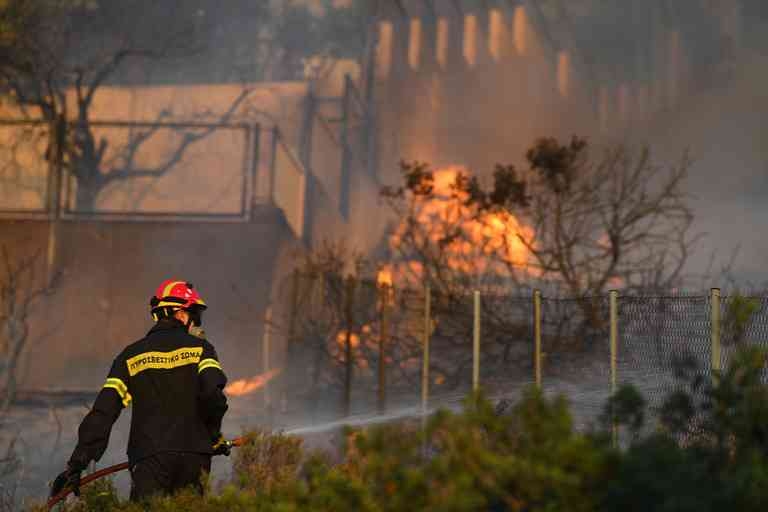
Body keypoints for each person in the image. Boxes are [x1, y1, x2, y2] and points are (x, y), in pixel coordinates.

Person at [50, 280, 229, 502]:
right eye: (196, 315)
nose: (197, 322)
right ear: (181, 314)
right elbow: (213, 395)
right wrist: (212, 435)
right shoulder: (202, 349)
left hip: (148, 459)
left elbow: (104, 411)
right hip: (194, 457)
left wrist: (77, 464)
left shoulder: (130, 356)